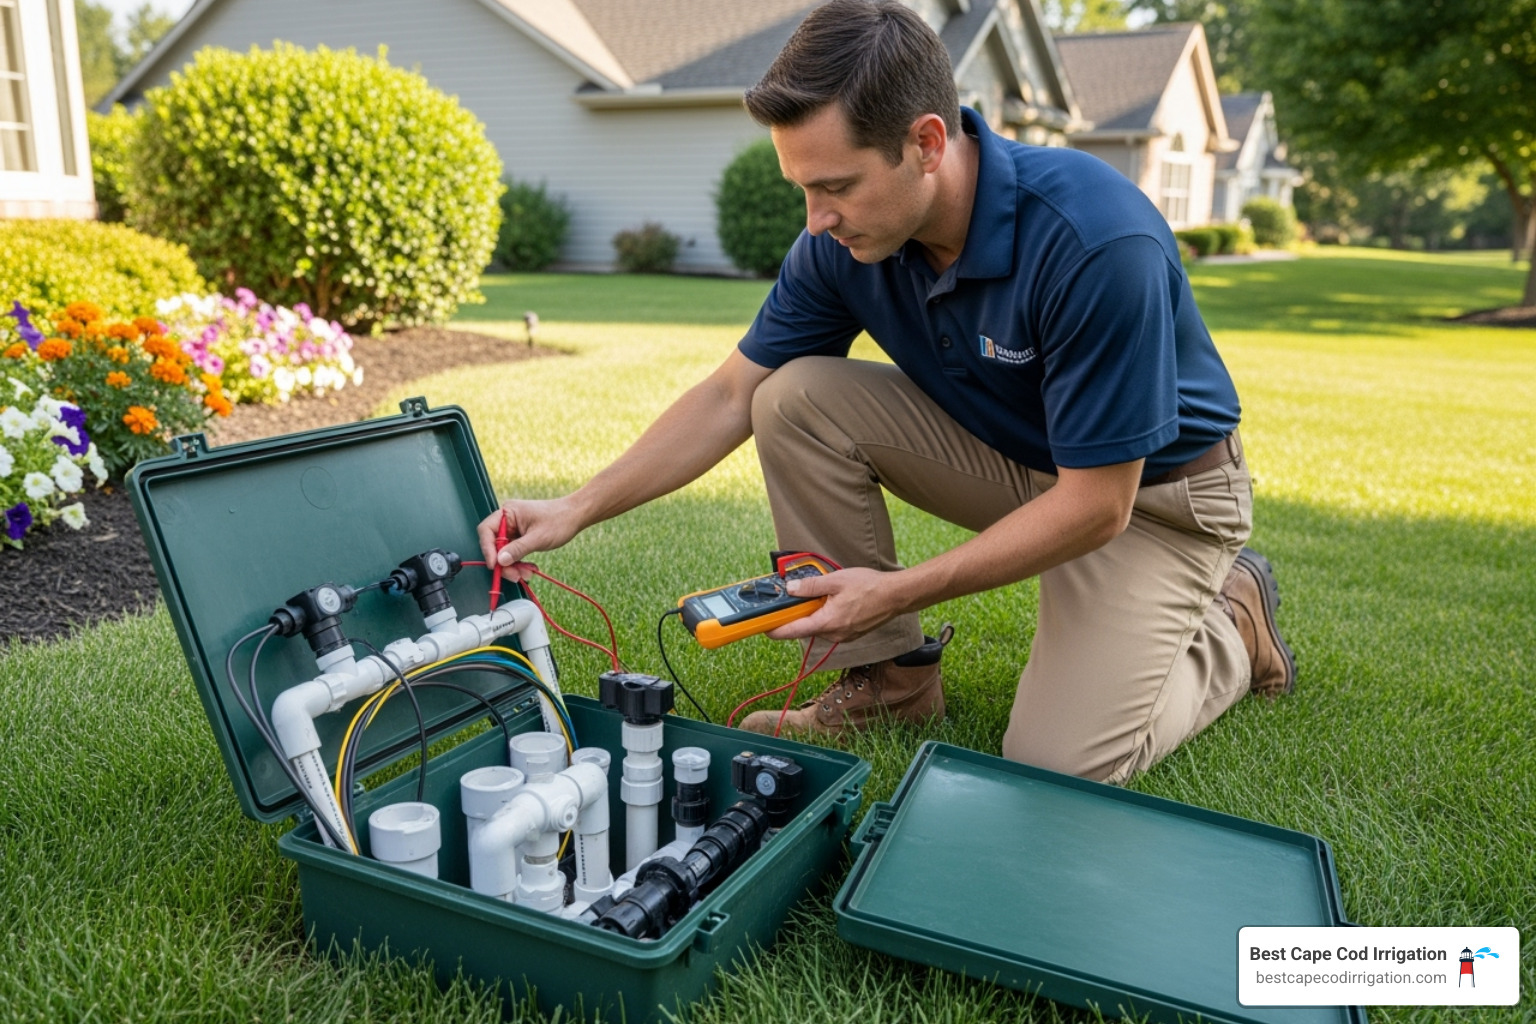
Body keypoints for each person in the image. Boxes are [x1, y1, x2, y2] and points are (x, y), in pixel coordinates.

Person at [479, 0, 1296, 783]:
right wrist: (576, 507)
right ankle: (890, 686)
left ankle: (1232, 623)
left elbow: (1097, 507)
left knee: (1060, 766)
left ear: (927, 142)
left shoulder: (1093, 240)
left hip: (1154, 502)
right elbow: (732, 396)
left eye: (835, 185)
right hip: (1029, 458)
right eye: (802, 187)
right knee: (791, 396)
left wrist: (897, 590)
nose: (815, 220)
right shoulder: (844, 243)